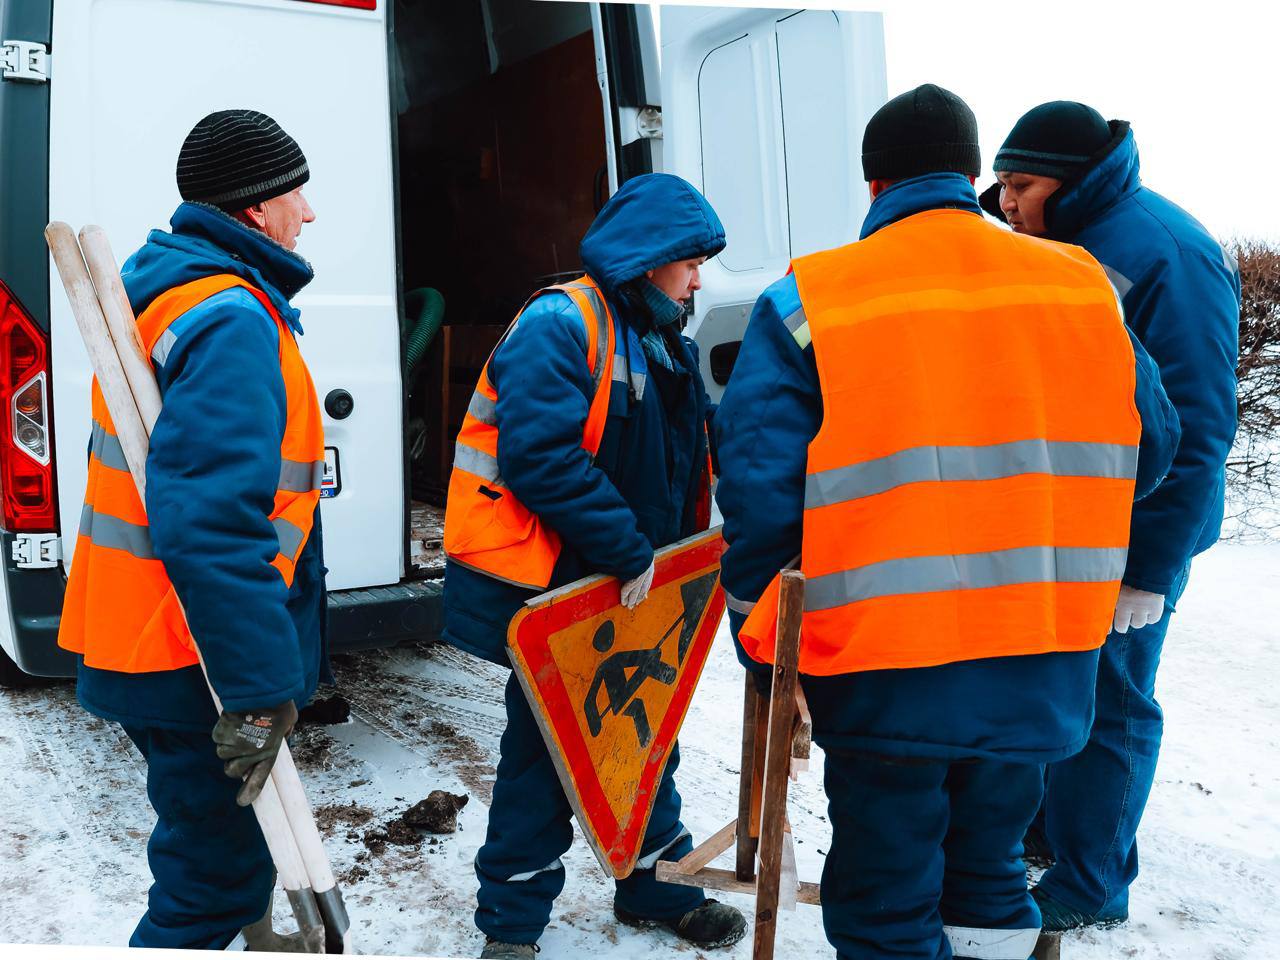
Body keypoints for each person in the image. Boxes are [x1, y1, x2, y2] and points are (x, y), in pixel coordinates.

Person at [715, 85, 1180, 960]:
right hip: (1040, 652)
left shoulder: (812, 297)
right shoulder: (1082, 284)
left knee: (885, 893)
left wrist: (760, 631)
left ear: (874, 184)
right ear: (973, 178)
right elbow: (1152, 451)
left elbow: (756, 483)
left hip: (883, 659)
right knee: (989, 875)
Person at [442, 172, 747, 959]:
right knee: (545, 755)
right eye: (691, 264)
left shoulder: (659, 338)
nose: (698, 281)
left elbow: (687, 448)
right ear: (651, 258)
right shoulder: (561, 323)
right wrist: (628, 548)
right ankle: (511, 927)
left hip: (637, 584)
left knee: (647, 731)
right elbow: (540, 458)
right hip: (564, 585)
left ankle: (656, 886)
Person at [57, 109, 328, 950]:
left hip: (150, 633)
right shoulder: (231, 318)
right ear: (254, 209)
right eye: (295, 194)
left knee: (222, 858)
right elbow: (213, 521)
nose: (308, 211)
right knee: (208, 885)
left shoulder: (169, 291)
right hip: (191, 656)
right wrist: (257, 690)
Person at [980, 101, 1240, 931]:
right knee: (1060, 692)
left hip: (1135, 534)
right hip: (1067, 521)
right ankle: (1048, 833)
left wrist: (1149, 570)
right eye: (1001, 184)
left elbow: (1200, 428)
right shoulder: (1063, 243)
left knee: (1114, 703)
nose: (1006, 202)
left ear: (1075, 179)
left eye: (1022, 185)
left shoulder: (1166, 253)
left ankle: (1091, 885)